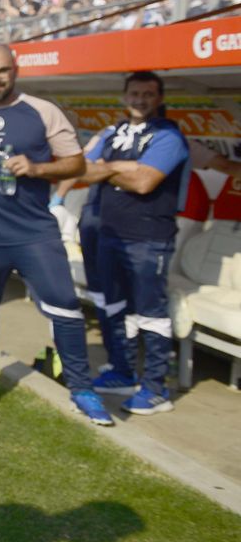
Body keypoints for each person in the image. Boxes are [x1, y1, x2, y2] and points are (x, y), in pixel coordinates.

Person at [0, 44, 114, 426]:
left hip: (32, 233)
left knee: (65, 306)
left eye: (1, 71)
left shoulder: (43, 111)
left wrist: (37, 168)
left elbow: (76, 163)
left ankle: (82, 389)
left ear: (15, 69)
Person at [72, 71, 189, 415]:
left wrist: (107, 168)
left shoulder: (169, 135)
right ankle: (122, 372)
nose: (140, 100)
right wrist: (122, 166)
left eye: (148, 94)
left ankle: (155, 388)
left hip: (148, 237)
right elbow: (82, 170)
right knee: (114, 307)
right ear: (125, 97)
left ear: (160, 98)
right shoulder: (115, 132)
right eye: (134, 93)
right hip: (110, 233)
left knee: (151, 314)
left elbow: (144, 183)